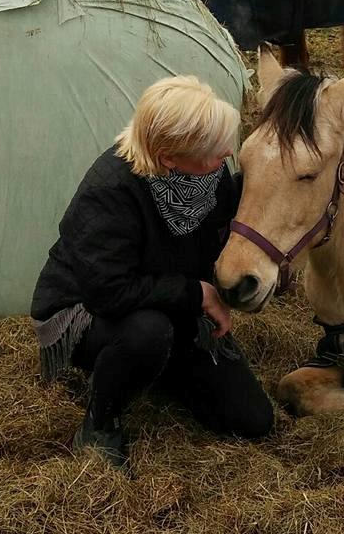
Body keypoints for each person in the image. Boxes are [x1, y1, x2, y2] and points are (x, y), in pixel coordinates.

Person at [31, 75, 275, 470]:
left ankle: (162, 365)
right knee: (148, 334)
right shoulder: (110, 190)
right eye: (214, 151)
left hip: (166, 301)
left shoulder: (206, 176)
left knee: (252, 420)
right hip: (90, 313)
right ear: (168, 158)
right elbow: (107, 292)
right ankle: (100, 420)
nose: (226, 153)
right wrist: (199, 295)